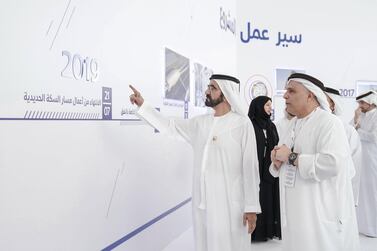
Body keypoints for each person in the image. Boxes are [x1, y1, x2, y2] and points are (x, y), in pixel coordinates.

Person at [129, 74, 261, 251]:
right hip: (203, 202)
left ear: (227, 93)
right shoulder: (201, 123)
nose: (206, 91)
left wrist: (251, 207)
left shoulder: (242, 124)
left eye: (212, 88)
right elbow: (170, 126)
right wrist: (143, 106)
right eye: (208, 87)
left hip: (230, 204)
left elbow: (250, 167)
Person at [270, 73, 360, 251]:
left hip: (318, 213)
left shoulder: (329, 123)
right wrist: (276, 160)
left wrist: (291, 157)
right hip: (295, 211)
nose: (285, 95)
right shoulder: (292, 123)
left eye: (291, 90)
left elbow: (332, 163)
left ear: (310, 95)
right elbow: (286, 156)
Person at [247, 96, 281, 241]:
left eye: (270, 106)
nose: (270, 108)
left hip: (269, 171)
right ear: (258, 106)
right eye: (267, 105)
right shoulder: (249, 125)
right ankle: (254, 233)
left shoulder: (271, 126)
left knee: (267, 199)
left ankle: (267, 231)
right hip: (254, 170)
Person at [324, 86, 362, 206]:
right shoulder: (305, 127)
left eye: (324, 101)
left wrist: (353, 199)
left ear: (333, 105)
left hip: (338, 195)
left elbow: (354, 167)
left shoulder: (348, 132)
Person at [352, 90, 377, 237]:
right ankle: (363, 226)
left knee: (373, 191)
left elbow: (374, 137)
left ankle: (374, 227)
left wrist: (358, 128)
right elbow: (350, 130)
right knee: (362, 193)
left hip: (373, 159)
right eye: (359, 103)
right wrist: (356, 119)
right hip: (362, 160)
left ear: (371, 102)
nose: (360, 106)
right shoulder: (360, 115)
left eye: (362, 102)